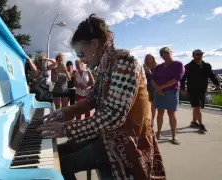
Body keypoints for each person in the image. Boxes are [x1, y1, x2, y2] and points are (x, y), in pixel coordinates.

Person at [37, 14, 166, 180]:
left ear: (94, 45)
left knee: (58, 163)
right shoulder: (105, 64)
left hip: (125, 143)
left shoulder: (124, 61)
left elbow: (114, 116)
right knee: (54, 156)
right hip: (108, 137)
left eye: (81, 54)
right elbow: (92, 99)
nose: (82, 60)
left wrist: (65, 128)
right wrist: (62, 113)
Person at [180, 49, 221, 132]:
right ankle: (201, 125)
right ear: (193, 56)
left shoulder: (207, 66)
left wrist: (217, 85)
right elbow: (183, 79)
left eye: (201, 54)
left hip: (203, 90)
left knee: (197, 108)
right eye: (197, 54)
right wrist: (183, 88)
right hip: (192, 90)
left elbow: (212, 76)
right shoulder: (188, 66)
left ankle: (193, 122)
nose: (199, 56)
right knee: (197, 107)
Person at [151, 47, 185, 145]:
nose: (164, 54)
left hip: (171, 92)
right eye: (162, 53)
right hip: (159, 93)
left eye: (166, 52)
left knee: (171, 114)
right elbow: (152, 79)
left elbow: (177, 78)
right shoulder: (159, 67)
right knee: (160, 113)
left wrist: (161, 87)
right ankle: (158, 134)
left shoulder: (178, 64)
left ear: (171, 52)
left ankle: (174, 136)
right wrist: (158, 89)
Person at [144, 54, 157, 127]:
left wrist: (150, 73)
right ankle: (145, 118)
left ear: (153, 59)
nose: (148, 59)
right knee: (144, 104)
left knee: (153, 105)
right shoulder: (143, 67)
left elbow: (158, 77)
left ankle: (152, 120)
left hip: (153, 88)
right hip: (145, 88)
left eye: (150, 58)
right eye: (147, 58)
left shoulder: (157, 67)